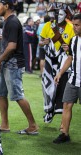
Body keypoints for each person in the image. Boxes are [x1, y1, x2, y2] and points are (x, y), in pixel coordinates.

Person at [0, 0, 39, 134]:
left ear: (6, 6)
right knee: (0, 94)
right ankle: (5, 125)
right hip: (6, 62)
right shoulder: (8, 21)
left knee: (18, 95)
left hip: (13, 64)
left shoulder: (12, 22)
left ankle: (33, 126)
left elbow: (12, 46)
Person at [40, 3, 75, 123]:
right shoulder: (48, 25)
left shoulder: (71, 27)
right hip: (50, 59)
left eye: (60, 14)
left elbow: (74, 46)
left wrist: (68, 48)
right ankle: (49, 110)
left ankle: (60, 117)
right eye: (56, 13)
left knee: (62, 87)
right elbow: (41, 42)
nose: (57, 16)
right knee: (47, 86)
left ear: (66, 15)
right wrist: (44, 43)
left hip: (64, 61)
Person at [53, 13, 81, 144]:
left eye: (77, 25)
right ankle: (64, 134)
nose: (74, 27)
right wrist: (60, 73)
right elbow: (70, 58)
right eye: (74, 25)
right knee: (66, 104)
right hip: (73, 79)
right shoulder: (73, 40)